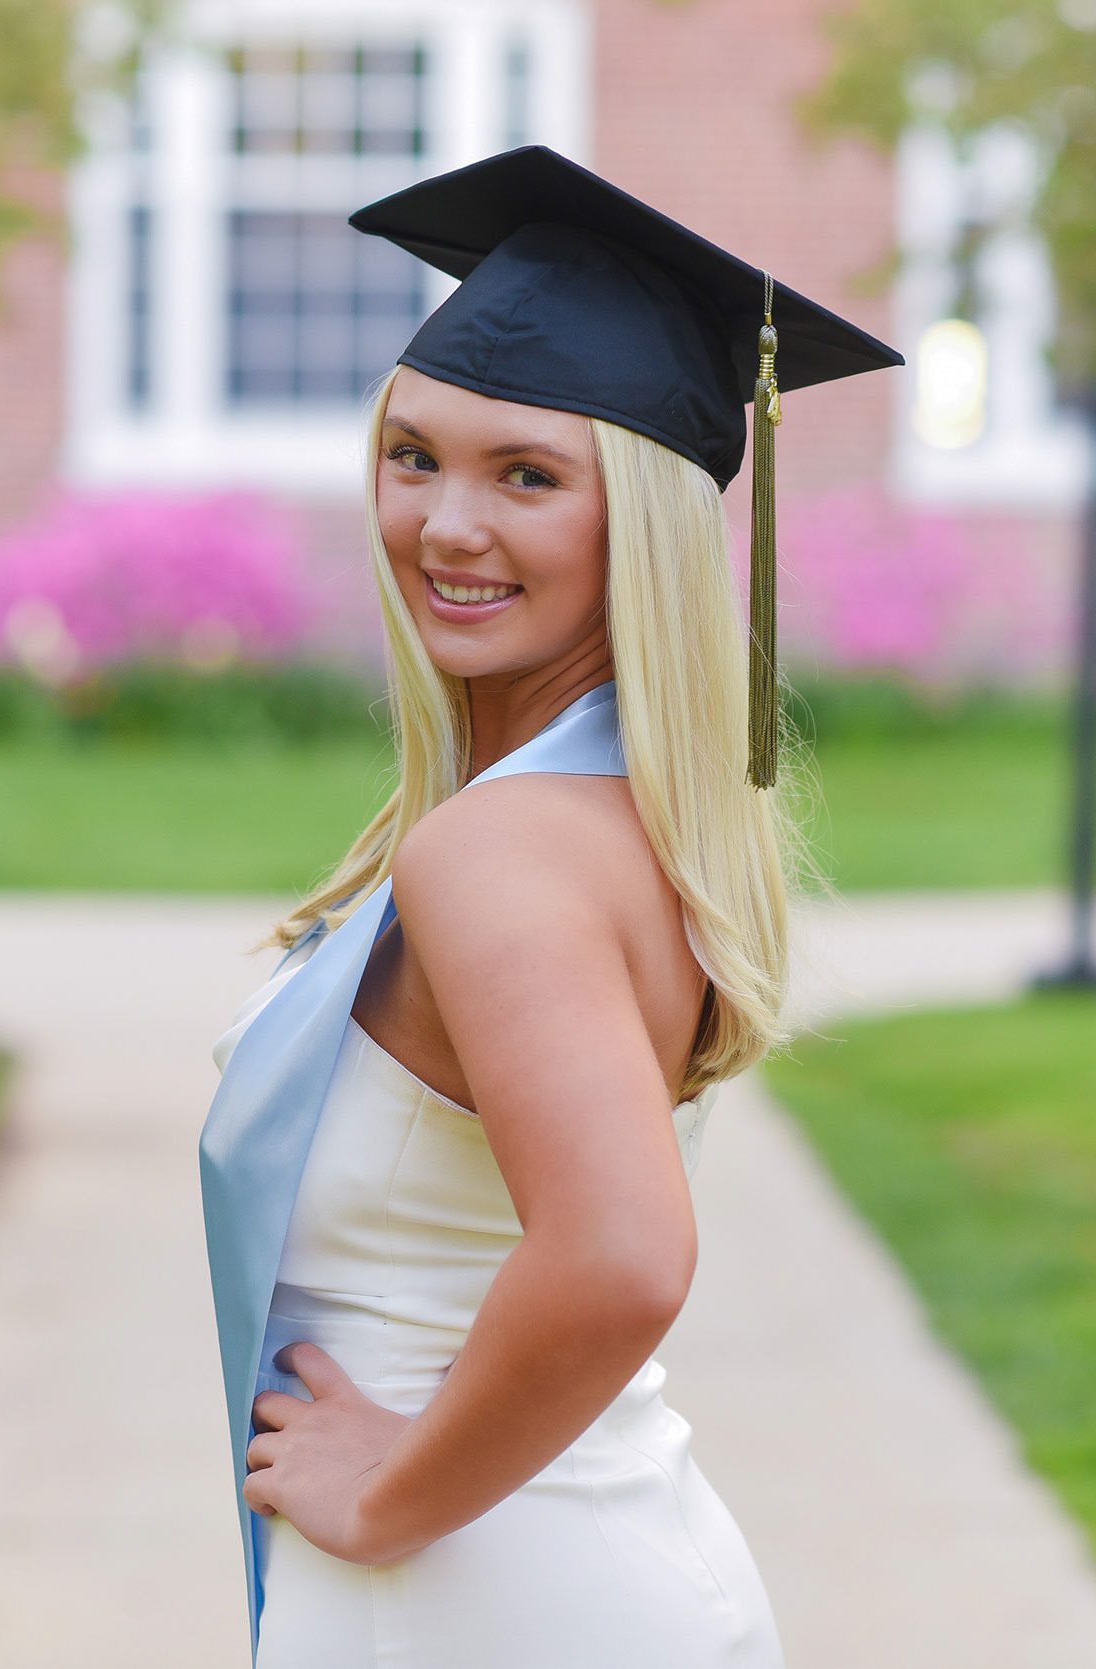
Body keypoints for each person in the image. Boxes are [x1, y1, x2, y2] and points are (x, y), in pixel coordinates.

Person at [198, 143, 904, 1667]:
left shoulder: (500, 857)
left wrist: (391, 1496)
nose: (446, 525)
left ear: (639, 519)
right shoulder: (628, 821)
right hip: (567, 1563)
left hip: (482, 1597)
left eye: (526, 474)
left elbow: (623, 1253)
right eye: (413, 455)